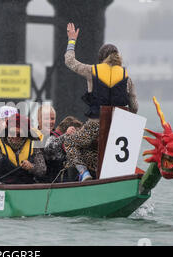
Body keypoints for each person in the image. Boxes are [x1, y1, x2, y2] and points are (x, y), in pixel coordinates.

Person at [63, 22, 138, 181]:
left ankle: (84, 174)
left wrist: (71, 41)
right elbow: (135, 108)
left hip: (94, 126)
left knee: (70, 143)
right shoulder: (127, 78)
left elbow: (69, 61)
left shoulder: (92, 71)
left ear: (101, 59)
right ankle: (114, 177)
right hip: (118, 128)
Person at [43, 116, 83, 182]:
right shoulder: (52, 137)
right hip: (54, 182)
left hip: (68, 180)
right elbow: (48, 148)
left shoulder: (70, 143)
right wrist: (65, 135)